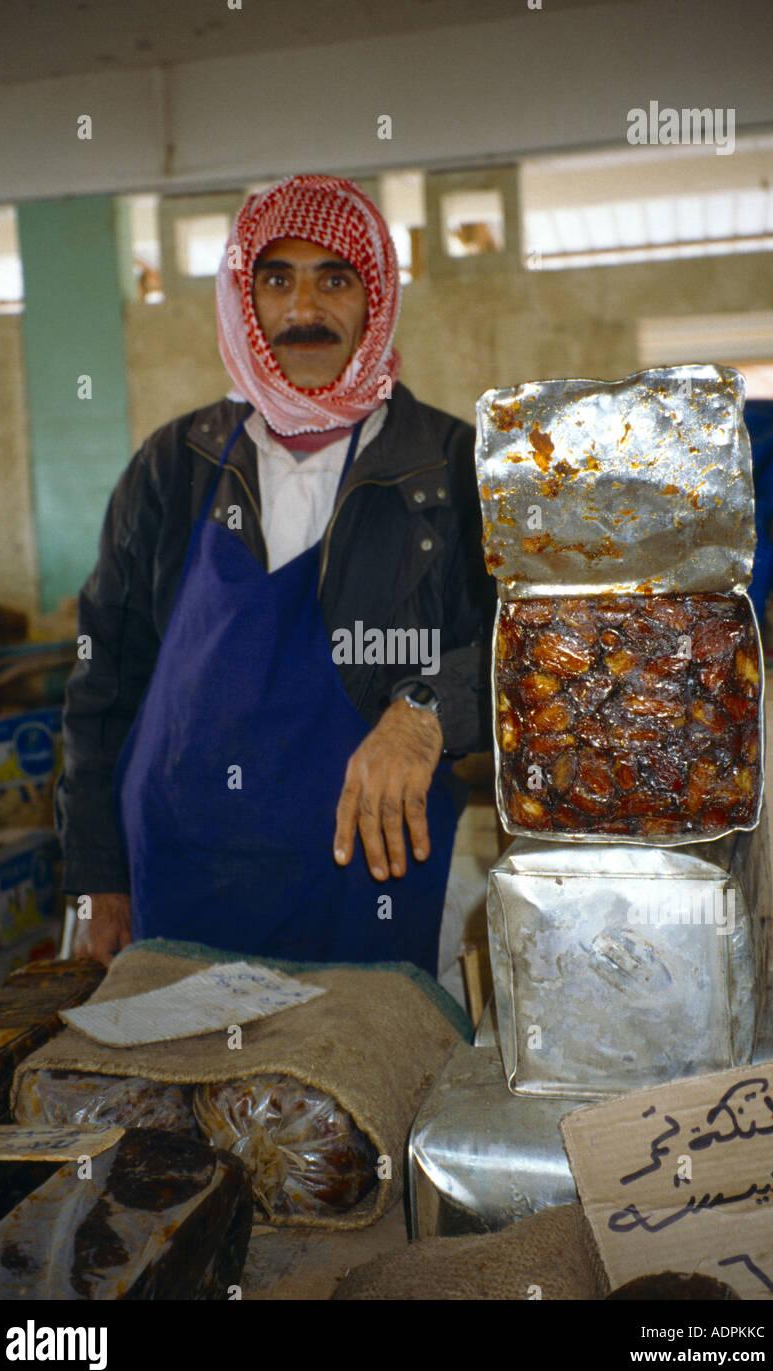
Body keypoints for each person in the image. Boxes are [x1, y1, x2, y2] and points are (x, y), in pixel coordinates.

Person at [57, 173, 495, 977]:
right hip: (184, 872)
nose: (304, 310)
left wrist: (424, 709)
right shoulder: (176, 464)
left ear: (376, 299)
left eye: (335, 278)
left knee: (347, 1089)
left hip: (369, 873)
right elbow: (103, 684)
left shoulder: (452, 465)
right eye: (276, 279)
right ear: (242, 298)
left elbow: (525, 652)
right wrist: (95, 876)